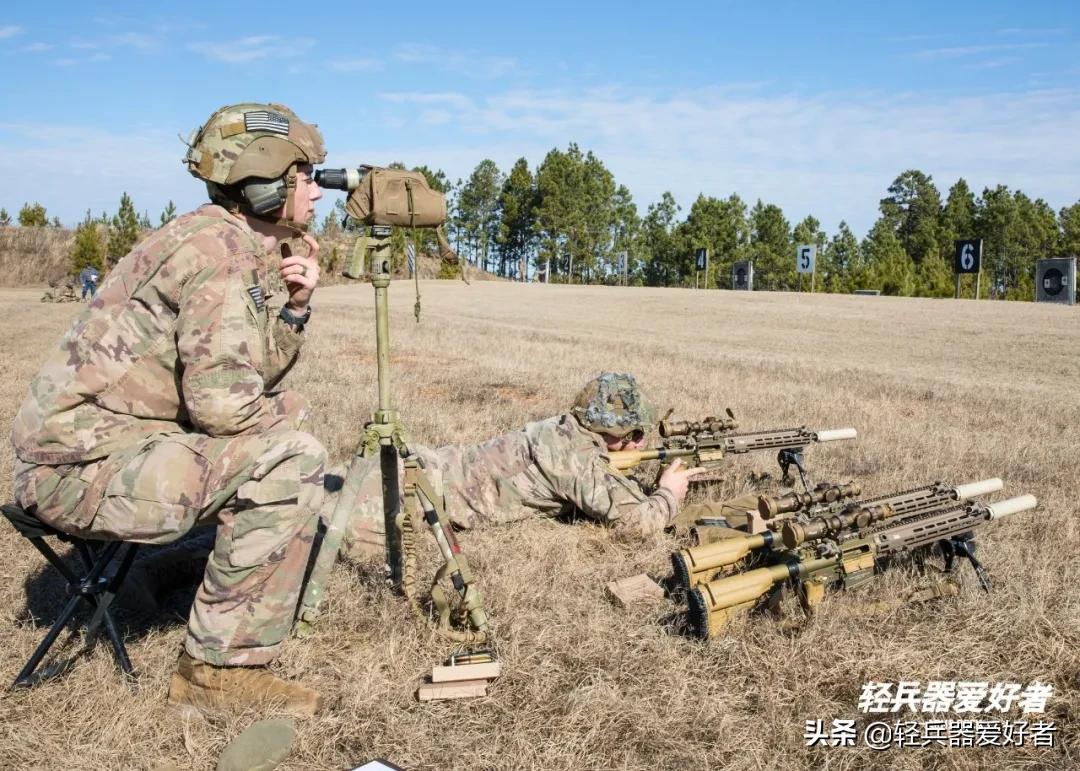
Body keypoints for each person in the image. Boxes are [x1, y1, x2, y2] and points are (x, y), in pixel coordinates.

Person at [11, 102, 328, 717]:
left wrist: (292, 311)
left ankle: (162, 580)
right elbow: (225, 408)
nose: (317, 192)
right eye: (306, 177)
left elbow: (242, 372)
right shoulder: (217, 253)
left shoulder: (218, 237)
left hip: (96, 450)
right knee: (292, 460)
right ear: (266, 185)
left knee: (285, 428)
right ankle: (215, 673)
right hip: (74, 471)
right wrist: (282, 431)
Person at [342, 372, 706, 560]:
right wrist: (668, 495)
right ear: (615, 429)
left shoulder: (564, 428)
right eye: (635, 433)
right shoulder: (576, 460)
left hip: (423, 465)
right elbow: (635, 525)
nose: (640, 442)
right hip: (412, 500)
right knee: (322, 534)